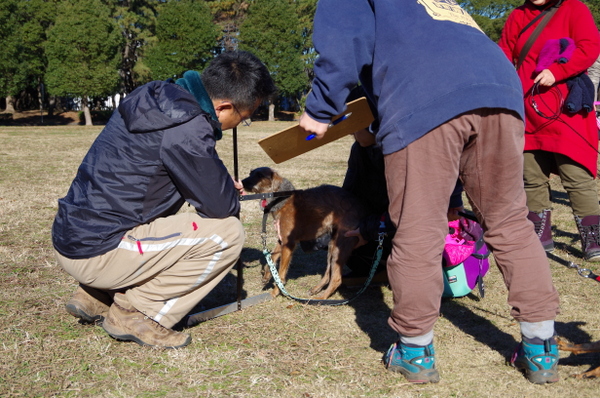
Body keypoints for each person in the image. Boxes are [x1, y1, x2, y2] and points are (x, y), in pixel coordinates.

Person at [299, 0, 560, 385]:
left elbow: (343, 42)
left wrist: (320, 108)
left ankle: (415, 353)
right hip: (501, 90)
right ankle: (540, 351)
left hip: (423, 93)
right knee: (510, 224)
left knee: (419, 230)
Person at [52, 51, 277, 349]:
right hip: (98, 250)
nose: (239, 125)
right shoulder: (187, 128)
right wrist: (221, 189)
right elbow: (221, 207)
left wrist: (216, 183)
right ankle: (136, 312)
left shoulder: (158, 96)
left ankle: (96, 294)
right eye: (244, 119)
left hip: (73, 234)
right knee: (228, 234)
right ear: (223, 107)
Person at [499, 0, 600, 260]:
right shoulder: (518, 15)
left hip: (567, 110)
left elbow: (590, 47)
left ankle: (593, 239)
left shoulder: (574, 8)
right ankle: (539, 235)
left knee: (576, 176)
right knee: (531, 176)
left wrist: (557, 71)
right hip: (527, 109)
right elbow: (503, 54)